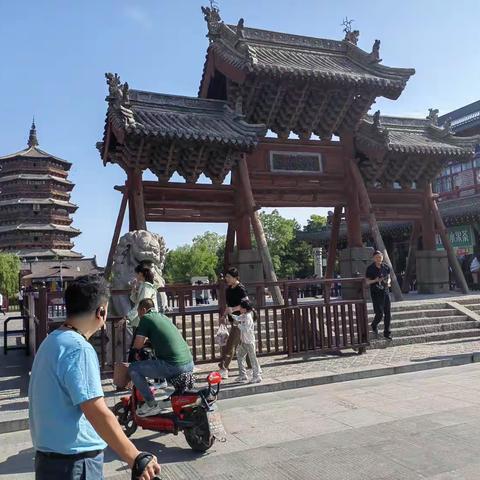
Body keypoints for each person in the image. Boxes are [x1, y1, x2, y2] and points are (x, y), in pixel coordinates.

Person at [28, 275, 161, 480]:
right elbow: (95, 410)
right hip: (75, 463)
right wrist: (135, 456)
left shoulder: (51, 342)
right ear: (102, 311)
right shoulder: (79, 348)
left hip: (48, 461)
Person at [128, 298, 194, 417]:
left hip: (173, 366)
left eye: (138, 313)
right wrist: (148, 344)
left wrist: (133, 353)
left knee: (134, 368)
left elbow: (137, 344)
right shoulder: (163, 317)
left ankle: (151, 404)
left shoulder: (146, 319)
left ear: (143, 310)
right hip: (189, 363)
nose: (139, 316)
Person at [218, 267, 251, 379]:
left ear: (235, 277)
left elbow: (246, 304)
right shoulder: (228, 290)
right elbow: (228, 305)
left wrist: (233, 309)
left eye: (228, 277)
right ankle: (252, 365)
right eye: (226, 277)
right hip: (234, 320)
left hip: (242, 320)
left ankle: (224, 367)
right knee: (245, 344)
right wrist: (225, 315)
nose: (226, 279)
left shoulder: (241, 288)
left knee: (231, 344)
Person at [232, 299, 262, 384]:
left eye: (241, 307)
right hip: (244, 342)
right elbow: (238, 318)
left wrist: (238, 324)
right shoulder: (244, 315)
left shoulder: (248, 317)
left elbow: (246, 329)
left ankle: (257, 376)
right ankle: (243, 375)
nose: (240, 309)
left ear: (245, 308)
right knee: (240, 356)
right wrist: (232, 316)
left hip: (249, 342)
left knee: (253, 359)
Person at [365, 250, 393, 341]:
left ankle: (387, 333)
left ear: (382, 257)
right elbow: (367, 281)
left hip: (385, 292)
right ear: (374, 258)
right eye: (377, 257)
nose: (379, 259)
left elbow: (389, 278)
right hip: (376, 293)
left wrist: (388, 282)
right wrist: (375, 280)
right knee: (379, 314)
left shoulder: (386, 267)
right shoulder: (370, 268)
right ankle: (374, 325)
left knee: (388, 313)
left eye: (380, 257)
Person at [126, 264, 158, 330]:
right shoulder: (143, 285)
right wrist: (134, 289)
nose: (135, 276)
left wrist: (127, 317)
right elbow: (135, 300)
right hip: (145, 317)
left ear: (140, 274)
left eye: (136, 274)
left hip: (148, 318)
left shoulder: (147, 287)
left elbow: (141, 304)